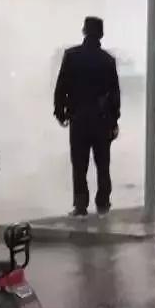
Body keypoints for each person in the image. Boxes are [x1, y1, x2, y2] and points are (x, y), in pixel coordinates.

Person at [54, 16, 120, 217]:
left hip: (79, 118)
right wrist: (114, 120)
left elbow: (61, 87)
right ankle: (103, 203)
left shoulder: (72, 56)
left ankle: (81, 205)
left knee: (79, 164)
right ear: (101, 34)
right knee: (103, 164)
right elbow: (114, 94)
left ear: (84, 31)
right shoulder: (108, 60)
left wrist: (60, 112)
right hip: (102, 119)